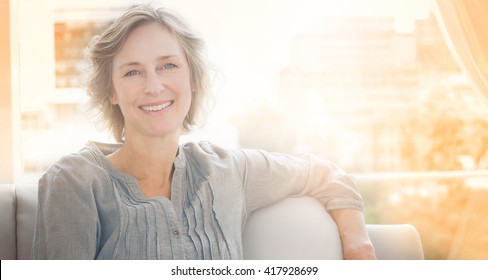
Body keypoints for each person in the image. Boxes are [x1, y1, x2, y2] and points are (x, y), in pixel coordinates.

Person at [31, 5, 376, 260]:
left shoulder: (229, 170)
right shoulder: (73, 183)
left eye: (168, 65)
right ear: (111, 91)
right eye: (133, 72)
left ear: (192, 80)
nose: (154, 86)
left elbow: (328, 176)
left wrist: (358, 243)